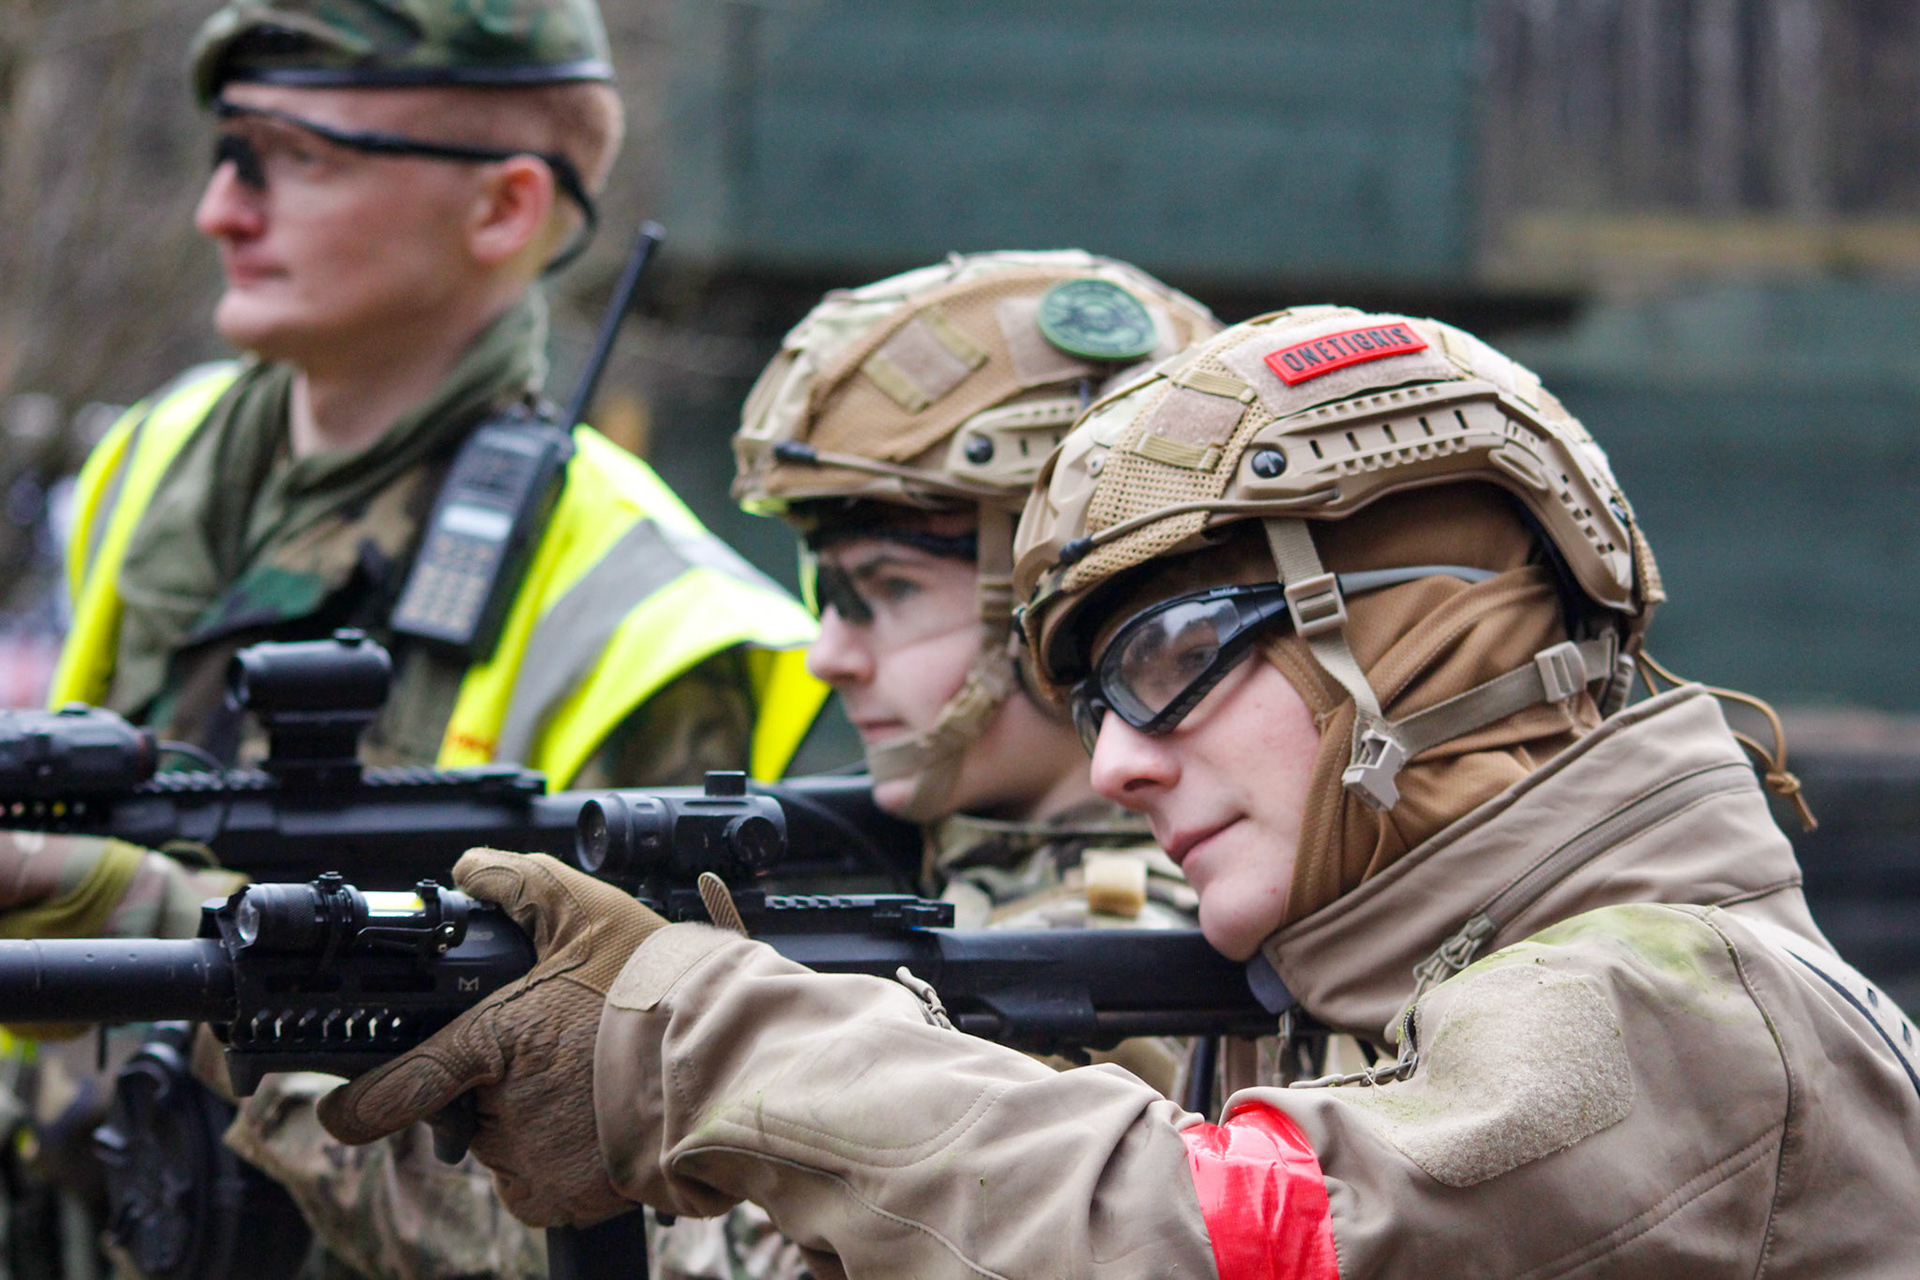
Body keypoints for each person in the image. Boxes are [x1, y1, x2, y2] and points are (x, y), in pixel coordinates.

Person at [319, 307, 1920, 1275]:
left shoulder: (1688, 1011)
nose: (1114, 762)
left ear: (1418, 629)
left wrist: (701, 1037)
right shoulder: (1349, 1001)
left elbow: (1207, 1240)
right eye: (1091, 699)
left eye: (1168, 659)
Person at [2, 1, 824, 1275]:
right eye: (226, 150)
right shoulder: (155, 457)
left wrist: (173, 924)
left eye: (297, 157)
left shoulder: (649, 611)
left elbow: (631, 1180)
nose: (221, 209)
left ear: (501, 206)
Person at [650, 250, 1218, 1278]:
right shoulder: (964, 869)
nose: (829, 653)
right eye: (828, 593)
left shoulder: (1142, 952)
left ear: (1070, 596)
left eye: (892, 590)